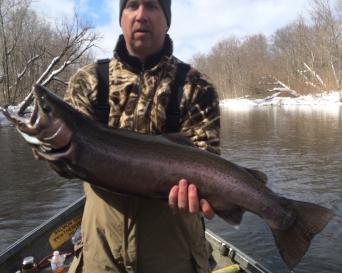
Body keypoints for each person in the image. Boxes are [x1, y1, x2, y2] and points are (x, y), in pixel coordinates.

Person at [64, 0, 220, 272]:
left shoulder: (197, 88)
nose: (140, 15)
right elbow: (66, 167)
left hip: (175, 253)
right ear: (120, 18)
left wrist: (203, 195)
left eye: (151, 6)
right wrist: (50, 149)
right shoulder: (87, 81)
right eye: (132, 5)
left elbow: (209, 164)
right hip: (102, 252)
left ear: (167, 19)